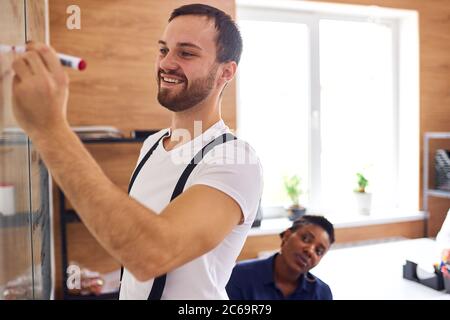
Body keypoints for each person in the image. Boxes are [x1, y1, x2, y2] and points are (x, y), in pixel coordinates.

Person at [11, 4, 263, 299]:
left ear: (226, 72)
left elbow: (153, 254)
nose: (167, 63)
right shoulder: (153, 145)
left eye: (186, 53)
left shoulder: (235, 160)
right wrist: (106, 280)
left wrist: (50, 129)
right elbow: (140, 253)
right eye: (163, 50)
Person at [226, 215, 335, 300]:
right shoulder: (240, 275)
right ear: (287, 236)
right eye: (305, 239)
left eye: (319, 251)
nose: (310, 251)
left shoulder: (322, 293)